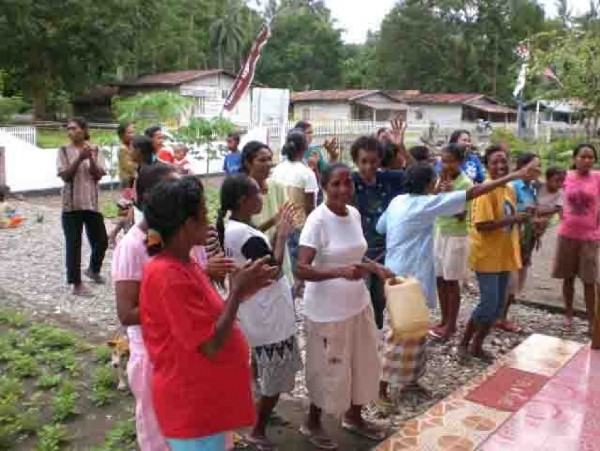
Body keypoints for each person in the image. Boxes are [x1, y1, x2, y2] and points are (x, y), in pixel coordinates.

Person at [377, 155, 538, 397]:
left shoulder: (399, 201)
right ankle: (381, 390)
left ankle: (409, 381)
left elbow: (381, 227)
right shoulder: (426, 204)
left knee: (416, 331)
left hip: (398, 274)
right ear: (428, 185)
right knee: (400, 335)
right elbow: (475, 192)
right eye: (434, 180)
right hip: (408, 281)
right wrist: (513, 176)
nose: (438, 183)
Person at [140, 176, 278, 450]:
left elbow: (209, 316)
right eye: (203, 213)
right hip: (192, 408)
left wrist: (245, 288)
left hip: (206, 403)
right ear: (187, 225)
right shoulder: (168, 275)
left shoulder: (185, 262)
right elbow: (211, 345)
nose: (209, 219)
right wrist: (237, 293)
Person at [113, 164, 236, 451]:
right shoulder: (132, 247)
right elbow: (127, 312)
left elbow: (196, 285)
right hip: (157, 359)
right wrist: (184, 297)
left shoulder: (182, 237)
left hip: (192, 352)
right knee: (163, 438)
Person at [297, 163, 393, 448]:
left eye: (346, 183)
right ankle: (311, 422)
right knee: (328, 368)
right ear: (324, 186)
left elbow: (355, 254)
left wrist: (375, 268)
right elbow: (302, 269)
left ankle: (354, 416)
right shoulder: (317, 221)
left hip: (357, 304)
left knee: (362, 363)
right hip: (327, 312)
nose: (342, 189)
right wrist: (339, 273)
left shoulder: (353, 213)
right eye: (335, 184)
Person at [220, 175, 301, 450]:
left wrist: (275, 228)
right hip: (270, 315)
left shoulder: (229, 228)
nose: (261, 198)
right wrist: (282, 235)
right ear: (244, 200)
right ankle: (258, 429)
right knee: (276, 375)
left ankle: (254, 412)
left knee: (262, 365)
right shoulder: (246, 235)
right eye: (257, 194)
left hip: (254, 311)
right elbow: (272, 270)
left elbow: (257, 254)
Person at [458, 146, 539, 361]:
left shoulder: (509, 190)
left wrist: (525, 214)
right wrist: (516, 219)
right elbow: (483, 225)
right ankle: (464, 343)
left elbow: (510, 216)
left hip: (504, 254)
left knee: (498, 306)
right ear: (486, 165)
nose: (501, 166)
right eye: (495, 162)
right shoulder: (485, 191)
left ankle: (477, 345)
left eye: (504, 161)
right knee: (488, 303)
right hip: (487, 256)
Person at [350, 135, 405, 329]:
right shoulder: (350, 182)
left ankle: (377, 334)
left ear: (380, 160)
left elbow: (418, 175)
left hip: (385, 251)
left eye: (373, 161)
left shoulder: (389, 179)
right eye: (363, 161)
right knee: (358, 298)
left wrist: (401, 147)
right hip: (359, 252)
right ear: (356, 161)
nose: (368, 167)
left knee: (380, 298)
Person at [57, 117, 108, 296]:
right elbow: (65, 176)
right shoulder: (63, 151)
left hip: (91, 203)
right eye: (69, 129)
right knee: (74, 244)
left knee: (101, 240)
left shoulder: (95, 150)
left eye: (74, 128)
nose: (70, 132)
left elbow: (98, 175)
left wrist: (90, 159)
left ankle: (93, 270)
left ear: (84, 130)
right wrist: (79, 158)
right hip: (71, 206)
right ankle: (76, 284)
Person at [552, 143, 600, 332]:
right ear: (574, 159)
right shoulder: (566, 177)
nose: (586, 160)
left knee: (589, 280)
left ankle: (592, 320)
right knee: (568, 278)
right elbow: (552, 197)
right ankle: (568, 314)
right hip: (567, 235)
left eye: (590, 157)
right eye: (583, 157)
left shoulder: (597, 178)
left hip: (589, 237)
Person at [430, 144, 473, 341]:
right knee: (439, 277)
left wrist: (449, 195)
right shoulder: (441, 179)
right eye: (443, 160)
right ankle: (444, 318)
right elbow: (433, 204)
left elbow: (461, 216)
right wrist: (437, 192)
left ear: (461, 162)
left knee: (451, 281)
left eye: (450, 161)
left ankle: (452, 325)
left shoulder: (466, 184)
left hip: (456, 236)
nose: (445, 165)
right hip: (440, 232)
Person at [271, 129, 319, 295]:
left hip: (280, 224)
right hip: (299, 226)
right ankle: (297, 290)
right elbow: (310, 206)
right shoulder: (306, 173)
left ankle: (288, 292)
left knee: (284, 265)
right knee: (298, 267)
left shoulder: (277, 169)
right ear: (304, 147)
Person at [498, 152, 541, 333]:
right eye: (534, 166)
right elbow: (505, 212)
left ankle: (502, 315)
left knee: (517, 278)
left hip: (525, 239)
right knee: (510, 279)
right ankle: (500, 317)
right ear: (522, 167)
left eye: (539, 165)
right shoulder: (512, 186)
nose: (538, 170)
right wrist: (526, 211)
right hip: (512, 239)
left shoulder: (530, 187)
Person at [241, 141, 294, 283]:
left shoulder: (277, 187)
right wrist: (273, 222)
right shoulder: (240, 191)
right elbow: (242, 234)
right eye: (262, 160)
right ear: (248, 163)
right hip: (255, 260)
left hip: (280, 252)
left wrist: (283, 229)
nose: (268, 164)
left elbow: (288, 221)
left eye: (270, 159)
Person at [117, 122, 137, 189]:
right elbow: (129, 167)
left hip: (132, 179)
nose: (132, 135)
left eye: (133, 132)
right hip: (128, 181)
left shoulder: (130, 147)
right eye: (129, 133)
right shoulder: (123, 149)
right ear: (122, 135)